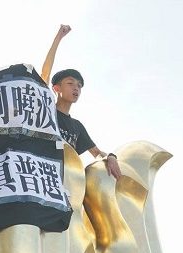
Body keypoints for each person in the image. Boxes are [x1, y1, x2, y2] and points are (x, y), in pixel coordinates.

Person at [41, 24, 122, 181]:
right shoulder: (45, 111)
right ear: (57, 88)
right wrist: (58, 39)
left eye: (79, 85)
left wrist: (111, 156)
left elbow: (97, 153)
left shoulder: (76, 126)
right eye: (70, 83)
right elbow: (44, 75)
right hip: (40, 175)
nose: (76, 88)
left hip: (65, 183)